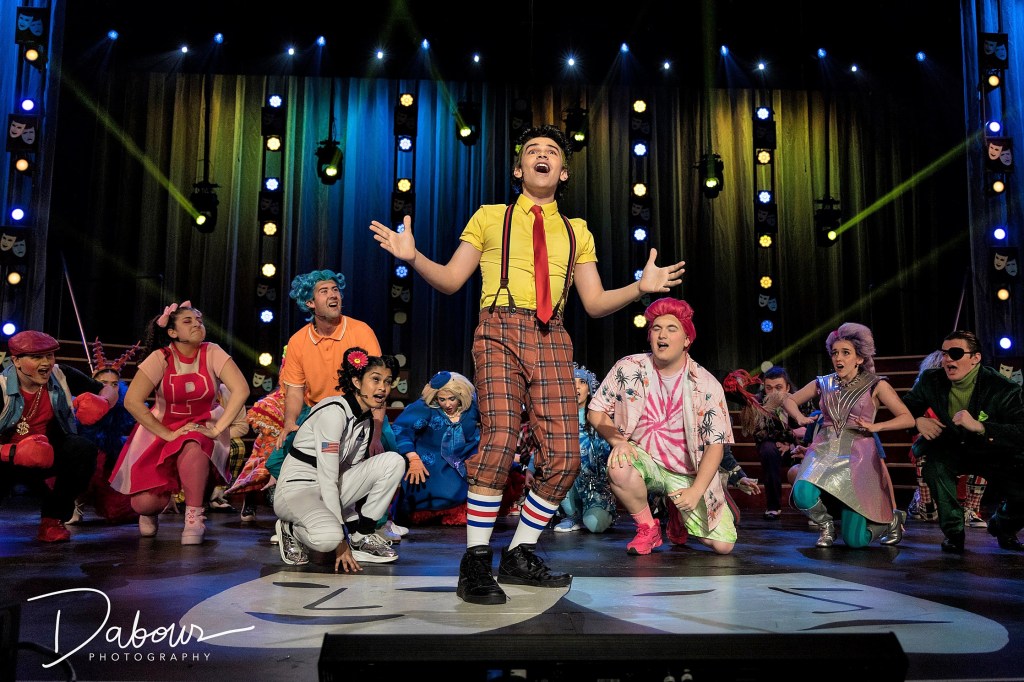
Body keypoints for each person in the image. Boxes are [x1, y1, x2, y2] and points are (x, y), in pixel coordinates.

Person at [369, 124, 685, 604]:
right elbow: (453, 280)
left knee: (565, 456)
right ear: (519, 168)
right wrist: (414, 258)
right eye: (531, 151)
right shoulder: (490, 217)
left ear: (563, 171)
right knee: (497, 440)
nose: (541, 156)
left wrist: (640, 288)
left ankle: (519, 554)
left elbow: (596, 302)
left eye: (551, 151)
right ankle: (475, 561)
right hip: (498, 328)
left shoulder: (577, 231)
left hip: (552, 335)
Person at [589, 297, 738, 555]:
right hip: (644, 459)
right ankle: (648, 528)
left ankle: (676, 513)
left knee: (723, 546)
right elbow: (596, 410)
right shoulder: (629, 367)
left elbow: (716, 446)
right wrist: (619, 441)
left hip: (687, 473)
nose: (662, 335)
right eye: (656, 328)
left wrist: (695, 491)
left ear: (687, 340)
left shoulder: (706, 384)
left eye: (671, 329)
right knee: (620, 465)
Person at [109, 301, 250, 545]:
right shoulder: (160, 357)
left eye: (199, 320)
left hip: (200, 427)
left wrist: (217, 429)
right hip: (161, 430)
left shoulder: (212, 351)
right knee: (144, 503)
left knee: (195, 443)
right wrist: (168, 434)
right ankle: (150, 512)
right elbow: (132, 401)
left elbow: (241, 390)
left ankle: (194, 517)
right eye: (188, 321)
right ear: (172, 332)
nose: (197, 323)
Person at [273, 348, 410, 570]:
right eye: (375, 379)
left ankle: (362, 535)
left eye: (387, 381)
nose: (383, 388)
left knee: (393, 461)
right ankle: (290, 528)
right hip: (297, 490)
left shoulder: (365, 421)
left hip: (328, 487)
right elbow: (328, 478)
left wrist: (353, 526)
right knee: (328, 539)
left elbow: (344, 475)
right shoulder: (334, 413)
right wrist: (340, 542)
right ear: (357, 381)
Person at [782, 322, 914, 549]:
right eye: (835, 353)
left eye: (845, 353)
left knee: (855, 541)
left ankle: (892, 520)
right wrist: (800, 418)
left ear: (859, 358)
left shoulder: (876, 385)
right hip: (824, 448)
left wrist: (876, 427)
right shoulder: (823, 383)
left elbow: (907, 418)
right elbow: (789, 399)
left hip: (858, 455)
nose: (838, 358)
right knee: (802, 491)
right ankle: (826, 526)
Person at [900, 330, 1024, 553]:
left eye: (955, 353)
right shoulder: (931, 380)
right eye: (945, 353)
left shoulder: (1003, 388)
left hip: (992, 450)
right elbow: (904, 408)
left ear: (975, 358)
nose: (948, 359)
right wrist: (917, 421)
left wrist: (981, 426)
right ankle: (954, 534)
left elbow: (1020, 430)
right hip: (950, 448)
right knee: (935, 468)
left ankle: (1003, 525)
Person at [0, 331, 112, 541]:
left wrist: (103, 401)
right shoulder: (1, 386)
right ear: (16, 360)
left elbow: (107, 390)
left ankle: (52, 521)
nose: (46, 363)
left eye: (49, 356)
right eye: (36, 357)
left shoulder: (61, 375)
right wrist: (12, 451)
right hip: (7, 460)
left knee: (82, 450)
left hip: (47, 454)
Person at [391, 370, 480, 526]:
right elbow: (401, 429)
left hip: (466, 462)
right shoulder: (425, 408)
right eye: (442, 399)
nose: (447, 404)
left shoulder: (472, 408)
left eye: (452, 399)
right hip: (433, 464)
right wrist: (413, 459)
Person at [73, 338, 142, 525]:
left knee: (118, 512)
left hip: (112, 460)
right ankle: (76, 504)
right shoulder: (80, 400)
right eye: (104, 382)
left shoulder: (125, 405)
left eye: (114, 384)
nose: (109, 387)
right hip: (83, 459)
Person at [735, 365, 805, 520]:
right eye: (769, 388)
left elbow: (807, 429)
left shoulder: (800, 399)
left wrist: (791, 442)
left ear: (787, 387)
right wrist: (792, 434)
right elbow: (760, 434)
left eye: (779, 387)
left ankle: (812, 508)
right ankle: (773, 506)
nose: (774, 392)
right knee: (767, 449)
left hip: (796, 447)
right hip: (773, 449)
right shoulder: (757, 403)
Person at [553, 363, 616, 533]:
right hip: (567, 483)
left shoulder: (599, 417)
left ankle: (600, 513)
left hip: (594, 486)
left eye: (582, 382)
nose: (577, 387)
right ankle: (572, 515)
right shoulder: (558, 420)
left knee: (594, 525)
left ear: (589, 389)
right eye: (572, 383)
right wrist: (530, 468)